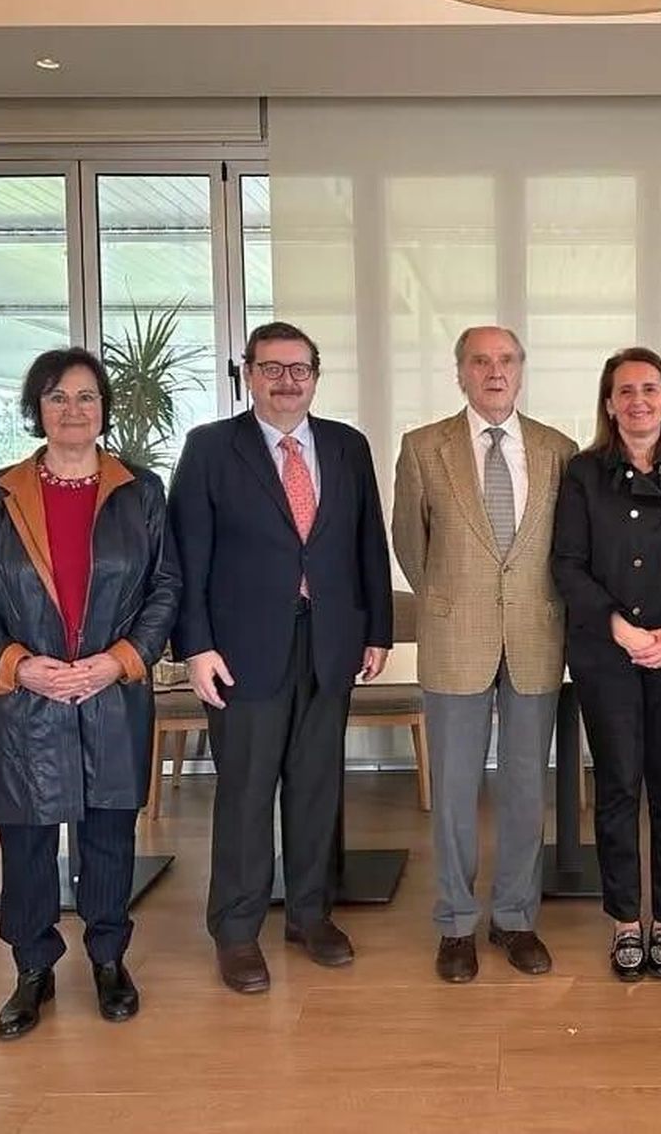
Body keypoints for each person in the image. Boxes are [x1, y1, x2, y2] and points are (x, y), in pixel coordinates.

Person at [0, 347, 180, 1041]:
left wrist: (121, 661)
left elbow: (166, 588)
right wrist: (19, 665)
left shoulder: (142, 491)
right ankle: (32, 969)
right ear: (36, 410)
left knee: (108, 835)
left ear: (103, 407)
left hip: (110, 691)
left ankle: (109, 960)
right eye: (57, 397)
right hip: (25, 697)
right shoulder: (0, 492)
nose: (72, 410)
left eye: (85, 396)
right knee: (24, 840)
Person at [167, 320, 392, 995]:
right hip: (241, 651)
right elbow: (187, 557)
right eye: (272, 368)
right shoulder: (210, 448)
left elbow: (366, 546)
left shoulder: (347, 446)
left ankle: (310, 915)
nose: (287, 381)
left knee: (318, 786)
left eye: (299, 369)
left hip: (328, 642)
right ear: (248, 373)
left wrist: (375, 630)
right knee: (245, 792)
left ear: (315, 375)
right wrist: (195, 646)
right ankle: (236, 934)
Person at [392, 325, 578, 983]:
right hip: (454, 637)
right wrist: (448, 600)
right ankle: (455, 924)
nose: (493, 371)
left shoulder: (559, 449)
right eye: (480, 360)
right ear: (460, 372)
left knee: (527, 788)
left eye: (505, 360)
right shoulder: (423, 448)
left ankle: (515, 918)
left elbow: (567, 546)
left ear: (521, 370)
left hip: (534, 636)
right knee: (453, 789)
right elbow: (410, 545)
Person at [552, 347, 661, 981]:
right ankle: (626, 921)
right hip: (609, 653)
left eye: (649, 389)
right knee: (619, 786)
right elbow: (567, 563)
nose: (638, 401)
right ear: (609, 404)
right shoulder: (582, 475)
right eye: (624, 391)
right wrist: (618, 625)